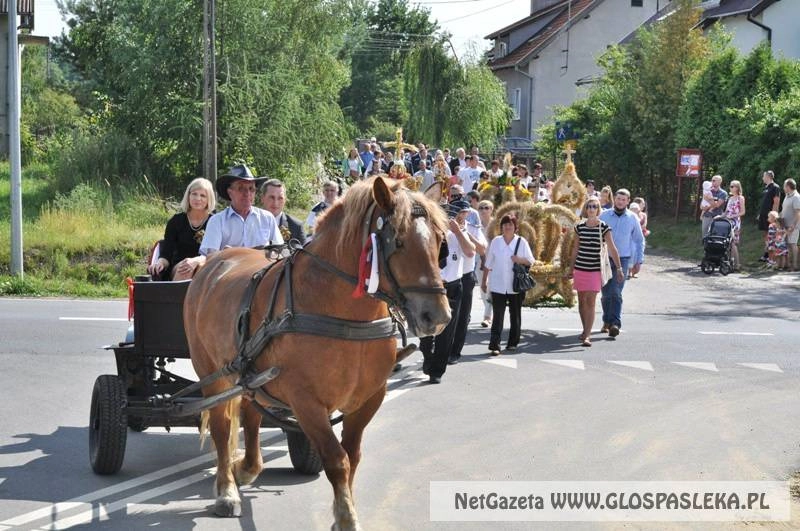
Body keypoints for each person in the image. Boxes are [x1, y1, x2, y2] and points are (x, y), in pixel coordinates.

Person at [419, 200, 476, 383]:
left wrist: (457, 232)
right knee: (426, 329)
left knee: (447, 331)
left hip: (452, 286)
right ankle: (427, 356)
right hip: (432, 287)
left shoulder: (459, 233)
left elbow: (471, 252)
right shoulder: (430, 234)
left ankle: (437, 371)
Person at [567, 196, 624, 347]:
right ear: (585, 209)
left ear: (598, 209)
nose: (591, 209)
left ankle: (587, 335)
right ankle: (584, 329)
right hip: (580, 268)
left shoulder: (604, 227)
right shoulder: (579, 227)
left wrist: (619, 268)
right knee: (581, 301)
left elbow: (612, 248)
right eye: (589, 206)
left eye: (594, 206)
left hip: (595, 270)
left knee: (590, 302)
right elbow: (575, 249)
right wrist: (571, 268)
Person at [199, 164, 282, 257]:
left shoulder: (267, 218)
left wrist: (234, 252)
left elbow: (280, 251)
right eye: (241, 188)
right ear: (230, 192)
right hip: (229, 266)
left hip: (264, 266)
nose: (247, 193)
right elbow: (210, 257)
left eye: (251, 189)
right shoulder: (217, 221)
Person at [483, 214, 534, 355]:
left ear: (515, 227)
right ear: (501, 227)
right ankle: (495, 345)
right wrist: (484, 281)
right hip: (498, 284)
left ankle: (512, 343)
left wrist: (519, 259)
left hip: (515, 285)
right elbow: (488, 263)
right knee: (498, 315)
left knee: (515, 315)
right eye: (505, 224)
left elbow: (531, 261)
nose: (507, 227)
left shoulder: (521, 242)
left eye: (510, 224)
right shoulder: (496, 241)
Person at [148, 177, 216, 281]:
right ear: (188, 196)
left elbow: (217, 252)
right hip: (180, 267)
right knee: (185, 268)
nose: (198, 198)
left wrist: (197, 261)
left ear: (209, 199)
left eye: (203, 195)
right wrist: (160, 263)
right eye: (194, 194)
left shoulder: (215, 222)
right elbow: (166, 253)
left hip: (207, 265)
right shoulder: (176, 221)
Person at [598, 189, 644, 338]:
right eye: (618, 199)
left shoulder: (632, 218)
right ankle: (606, 320)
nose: (620, 202)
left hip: (623, 259)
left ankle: (615, 323)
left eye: (624, 200)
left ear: (628, 201)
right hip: (605, 258)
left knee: (616, 291)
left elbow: (639, 240)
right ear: (615, 199)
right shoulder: (604, 215)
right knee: (606, 293)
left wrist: (639, 260)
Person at [448, 195, 487, 365]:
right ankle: (443, 348)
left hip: (465, 275)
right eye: (458, 212)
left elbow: (481, 249)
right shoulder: (447, 225)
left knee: (462, 316)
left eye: (464, 212)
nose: (461, 215)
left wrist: (465, 233)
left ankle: (455, 351)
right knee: (447, 315)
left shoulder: (472, 227)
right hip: (449, 275)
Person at [260, 178, 306, 245]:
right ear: (262, 198)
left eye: (280, 198)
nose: (275, 203)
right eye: (271, 197)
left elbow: (304, 251)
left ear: (285, 200)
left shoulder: (296, 227)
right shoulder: (251, 222)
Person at [476, 200, 494, 327]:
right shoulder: (476, 225)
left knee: (490, 287)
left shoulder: (496, 225)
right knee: (483, 288)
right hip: (479, 260)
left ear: (491, 210)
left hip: (494, 260)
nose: (483, 210)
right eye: (481, 208)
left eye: (486, 208)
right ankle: (489, 311)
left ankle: (487, 316)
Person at [757, 170, 781, 262]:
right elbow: (764, 203)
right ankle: (766, 254)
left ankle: (772, 257)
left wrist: (774, 216)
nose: (763, 178)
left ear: (768, 176)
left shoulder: (775, 187)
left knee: (771, 235)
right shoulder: (765, 188)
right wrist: (760, 214)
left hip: (770, 216)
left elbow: (776, 202)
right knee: (765, 234)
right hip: (763, 215)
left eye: (764, 176)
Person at [724, 180, 745, 271]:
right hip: (728, 222)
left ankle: (737, 264)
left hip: (735, 222)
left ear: (737, 188)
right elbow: (726, 211)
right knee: (728, 243)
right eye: (730, 186)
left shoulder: (740, 198)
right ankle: (730, 263)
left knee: (733, 243)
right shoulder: (730, 198)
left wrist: (733, 216)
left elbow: (743, 212)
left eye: (732, 186)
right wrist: (720, 216)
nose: (731, 188)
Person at [700, 175, 728, 239]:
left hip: (717, 218)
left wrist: (708, 200)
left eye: (714, 180)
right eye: (711, 180)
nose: (712, 182)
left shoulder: (723, 193)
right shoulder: (707, 191)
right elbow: (701, 206)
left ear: (719, 182)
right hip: (706, 217)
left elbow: (717, 205)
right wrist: (706, 207)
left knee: (716, 236)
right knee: (705, 236)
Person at [780, 178, 800, 271]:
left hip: (793, 226)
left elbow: (798, 213)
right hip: (785, 225)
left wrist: (793, 225)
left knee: (793, 244)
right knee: (788, 245)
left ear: (788, 186)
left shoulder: (796, 197)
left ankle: (795, 265)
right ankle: (789, 264)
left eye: (784, 186)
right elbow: (784, 210)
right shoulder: (787, 196)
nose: (783, 188)